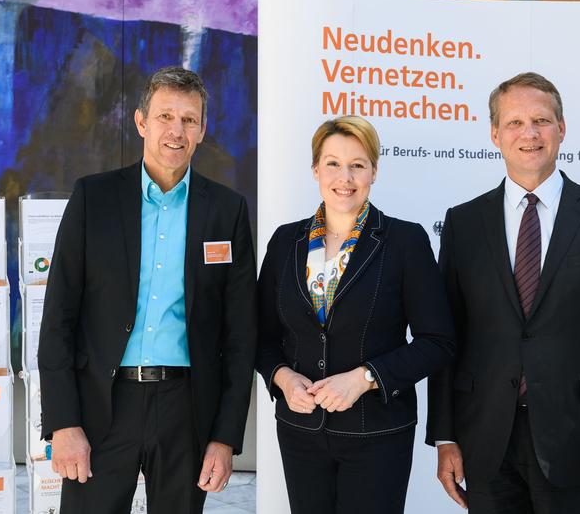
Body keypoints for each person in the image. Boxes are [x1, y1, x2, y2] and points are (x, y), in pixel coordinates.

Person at [38, 66, 257, 513]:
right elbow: (58, 318)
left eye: (189, 120)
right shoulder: (92, 199)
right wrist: (63, 423)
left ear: (202, 130)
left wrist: (224, 438)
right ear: (141, 122)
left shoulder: (226, 211)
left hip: (186, 410)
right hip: (102, 406)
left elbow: (240, 335)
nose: (176, 131)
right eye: (164, 117)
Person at [427, 72, 580, 513]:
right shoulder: (464, 223)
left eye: (541, 120)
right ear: (494, 134)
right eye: (514, 123)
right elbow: (447, 339)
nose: (529, 133)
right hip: (486, 442)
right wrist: (446, 436)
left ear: (561, 129)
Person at [256, 115, 455, 514]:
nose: (344, 177)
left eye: (357, 165)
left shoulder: (405, 241)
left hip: (378, 434)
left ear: (374, 172)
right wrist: (283, 376)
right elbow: (259, 335)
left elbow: (438, 343)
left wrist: (364, 379)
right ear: (315, 170)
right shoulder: (284, 241)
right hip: (300, 432)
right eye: (332, 163)